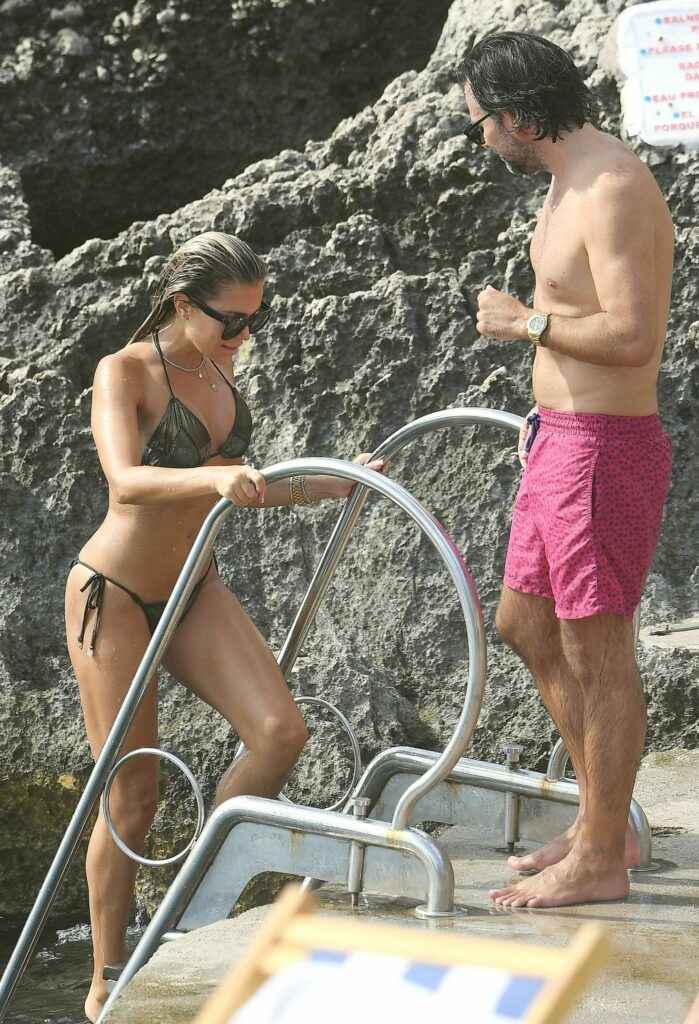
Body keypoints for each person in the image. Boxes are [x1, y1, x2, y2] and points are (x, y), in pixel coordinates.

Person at [64, 231, 385, 1021]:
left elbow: (242, 486)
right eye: (230, 320)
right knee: (131, 793)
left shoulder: (220, 367)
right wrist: (215, 477)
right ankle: (105, 978)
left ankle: (189, 902)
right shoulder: (123, 371)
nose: (244, 334)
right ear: (181, 303)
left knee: (279, 731)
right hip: (114, 592)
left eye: (254, 320)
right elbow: (126, 482)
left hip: (193, 587)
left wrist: (328, 484)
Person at [459, 32, 673, 908]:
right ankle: (603, 826)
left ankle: (600, 858)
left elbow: (633, 336)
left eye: (478, 123)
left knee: (596, 647)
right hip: (558, 441)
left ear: (515, 115)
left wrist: (525, 326)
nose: (480, 139)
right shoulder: (563, 181)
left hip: (601, 449)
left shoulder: (610, 186)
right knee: (524, 625)